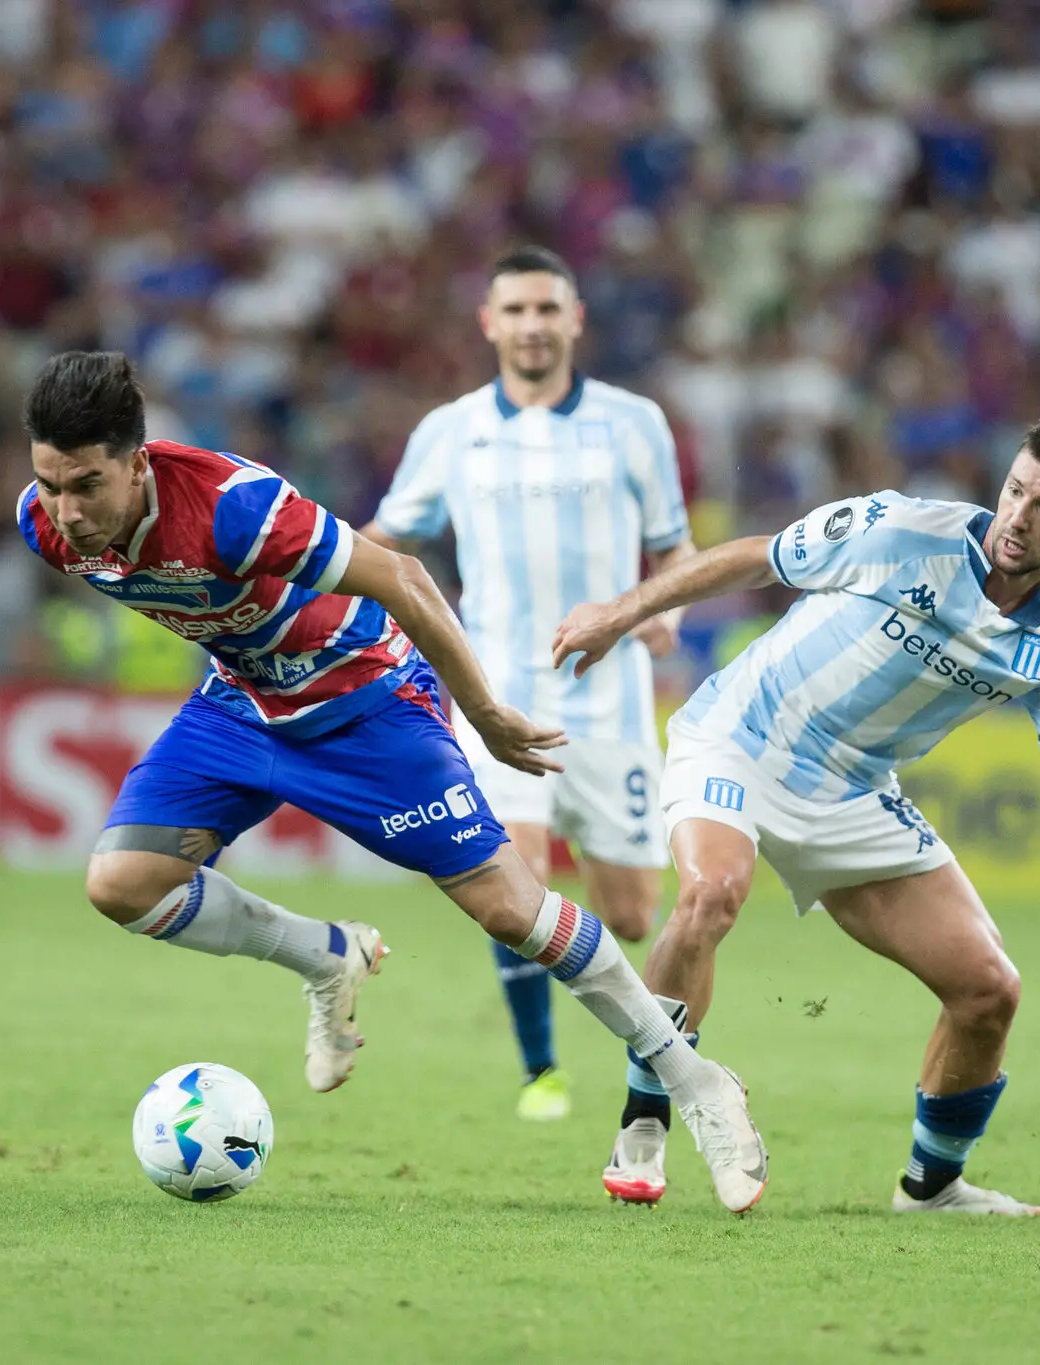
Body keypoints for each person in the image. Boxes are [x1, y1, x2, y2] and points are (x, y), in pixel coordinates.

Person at [13, 351, 767, 1212]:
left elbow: (405, 577)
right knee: (120, 883)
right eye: (51, 484)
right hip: (243, 704)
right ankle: (327, 956)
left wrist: (484, 714)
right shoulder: (46, 526)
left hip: (365, 699)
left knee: (511, 911)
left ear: (138, 464)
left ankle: (698, 1082)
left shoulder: (236, 509)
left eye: (87, 485)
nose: (68, 511)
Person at [553, 417, 1040, 1214]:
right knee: (711, 892)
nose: (1017, 517)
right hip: (741, 736)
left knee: (988, 988)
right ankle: (646, 1120)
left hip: (853, 791)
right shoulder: (902, 531)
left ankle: (933, 1186)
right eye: (1014, 491)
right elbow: (756, 556)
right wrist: (620, 612)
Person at [359, 245, 693, 1122]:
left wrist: (668, 607)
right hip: (499, 695)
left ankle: (599, 987)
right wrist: (296, 568)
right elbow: (384, 540)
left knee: (633, 913)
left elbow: (675, 548)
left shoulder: (634, 423)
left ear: (575, 318)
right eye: (516, 310)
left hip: (612, 702)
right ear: (489, 323)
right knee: (513, 881)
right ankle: (541, 1070)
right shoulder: (451, 430)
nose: (533, 326)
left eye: (548, 309)